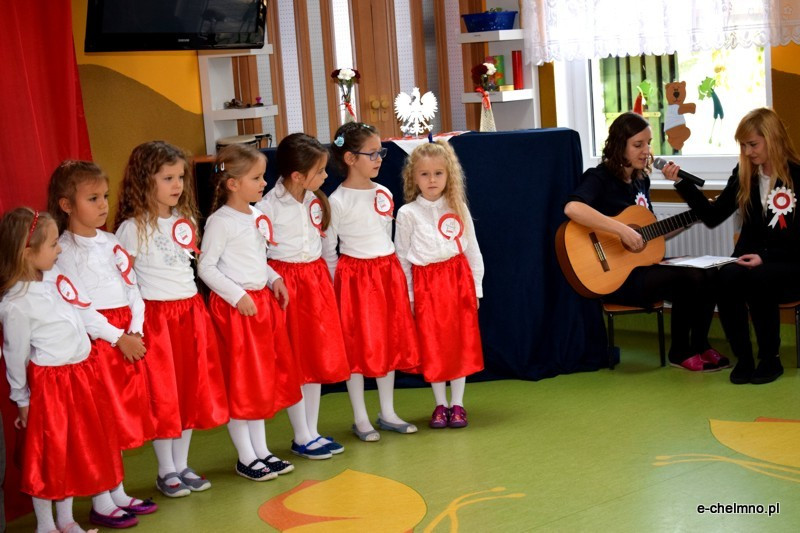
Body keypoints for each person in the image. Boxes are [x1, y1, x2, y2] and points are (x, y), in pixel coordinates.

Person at [198, 144, 331, 483]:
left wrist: (274, 279)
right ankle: (246, 456)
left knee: (260, 382)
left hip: (262, 307)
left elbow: (260, 259)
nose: (263, 183)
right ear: (232, 184)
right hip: (237, 312)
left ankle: (261, 451)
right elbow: (207, 268)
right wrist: (237, 295)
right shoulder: (220, 222)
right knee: (241, 383)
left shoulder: (258, 216)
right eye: (256, 178)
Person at [0, 208, 129, 533]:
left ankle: (67, 520)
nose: (59, 250)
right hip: (51, 387)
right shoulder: (15, 303)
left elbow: (83, 315)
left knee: (73, 449)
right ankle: (46, 525)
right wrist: (23, 400)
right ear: (27, 253)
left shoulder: (57, 279)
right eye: (53, 245)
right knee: (50, 454)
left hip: (81, 377)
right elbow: (14, 358)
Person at [564, 112, 724, 371]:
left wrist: (690, 218)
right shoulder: (600, 177)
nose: (646, 151)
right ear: (619, 146)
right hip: (614, 276)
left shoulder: (641, 180)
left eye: (648, 143)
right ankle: (680, 352)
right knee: (688, 279)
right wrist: (621, 231)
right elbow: (573, 208)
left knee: (706, 274)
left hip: (641, 270)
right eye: (638, 145)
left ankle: (701, 345)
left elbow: (648, 234)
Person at [114, 141, 229, 498]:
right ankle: (166, 470)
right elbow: (125, 281)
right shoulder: (132, 229)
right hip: (158, 319)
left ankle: (182, 464)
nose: (177, 185)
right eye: (168, 178)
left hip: (189, 312)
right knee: (165, 396)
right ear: (145, 181)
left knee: (189, 391)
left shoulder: (185, 220)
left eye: (180, 177)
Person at [47, 160, 158, 519]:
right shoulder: (63, 252)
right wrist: (116, 337)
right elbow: (78, 307)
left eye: (105, 197)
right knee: (101, 425)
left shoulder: (110, 242)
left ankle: (118, 491)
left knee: (120, 421)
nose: (103, 205)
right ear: (66, 205)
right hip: (100, 345)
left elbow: (132, 287)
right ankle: (101, 501)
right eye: (92, 198)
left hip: (126, 336)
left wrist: (136, 327)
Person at [662, 107, 800, 384]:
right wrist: (682, 183)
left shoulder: (797, 176)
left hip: (787, 263)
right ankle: (744, 358)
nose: (747, 152)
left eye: (753, 144)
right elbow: (713, 216)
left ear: (772, 139)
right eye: (743, 145)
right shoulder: (743, 174)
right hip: (749, 259)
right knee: (726, 276)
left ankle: (770, 359)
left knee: (759, 278)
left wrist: (765, 256)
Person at [324, 122, 420, 441]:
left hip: (386, 272)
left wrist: (395, 276)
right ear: (350, 158)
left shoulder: (384, 193)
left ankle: (388, 412)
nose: (379, 158)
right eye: (372, 153)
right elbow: (329, 251)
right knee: (358, 346)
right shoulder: (336, 201)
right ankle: (361, 418)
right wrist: (340, 287)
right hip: (354, 278)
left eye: (381, 151)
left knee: (387, 339)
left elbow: (386, 237)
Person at [255, 133, 350, 453]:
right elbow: (257, 256)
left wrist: (332, 283)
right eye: (320, 171)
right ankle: (301, 433)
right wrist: (274, 281)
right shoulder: (268, 206)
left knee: (316, 358)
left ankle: (311, 431)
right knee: (296, 362)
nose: (326, 176)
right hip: (288, 287)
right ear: (297, 175)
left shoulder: (315, 201)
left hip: (316, 283)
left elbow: (327, 249)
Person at [395, 140, 484, 429]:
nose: (431, 180)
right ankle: (439, 404)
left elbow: (473, 251)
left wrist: (476, 287)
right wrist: (408, 293)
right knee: (433, 345)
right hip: (426, 286)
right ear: (413, 178)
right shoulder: (407, 214)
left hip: (457, 281)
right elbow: (401, 258)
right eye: (424, 174)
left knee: (459, 344)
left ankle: (457, 404)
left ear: (449, 176)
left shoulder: (458, 207)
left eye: (438, 173)